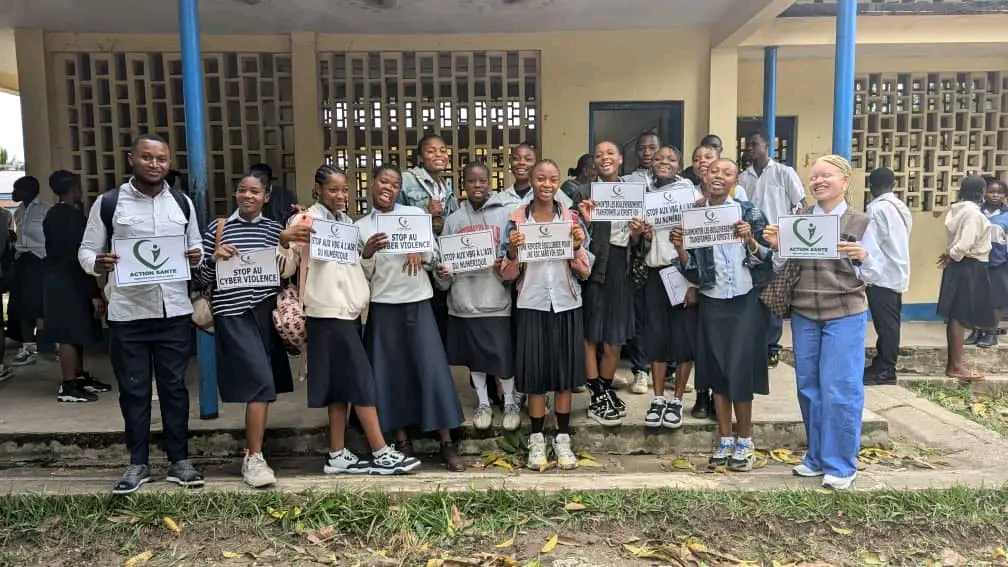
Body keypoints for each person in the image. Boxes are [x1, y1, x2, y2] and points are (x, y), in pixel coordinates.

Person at [78, 133, 204, 494]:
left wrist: (195, 256)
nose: (154, 164)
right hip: (128, 313)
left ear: (169, 162)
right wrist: (98, 263)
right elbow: (85, 251)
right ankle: (138, 463)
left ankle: (179, 461)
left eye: (161, 158)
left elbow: (195, 245)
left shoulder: (181, 202)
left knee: (174, 389)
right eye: (147, 157)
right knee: (134, 391)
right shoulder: (110, 203)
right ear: (132, 159)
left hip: (173, 312)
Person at [278, 165, 421, 476]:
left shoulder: (346, 223)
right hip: (327, 313)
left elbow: (351, 266)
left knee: (339, 387)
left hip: (350, 312)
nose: (340, 195)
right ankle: (381, 451)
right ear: (318, 190)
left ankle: (337, 453)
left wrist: (366, 253)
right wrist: (285, 240)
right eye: (333, 189)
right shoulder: (305, 221)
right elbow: (286, 268)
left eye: (344, 189)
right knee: (361, 383)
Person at [764, 155, 886, 491]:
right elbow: (782, 266)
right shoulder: (800, 219)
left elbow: (876, 273)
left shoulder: (861, 221)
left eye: (826, 176)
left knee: (840, 388)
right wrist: (778, 247)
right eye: (814, 177)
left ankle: (841, 464)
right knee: (809, 387)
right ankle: (816, 457)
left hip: (845, 313)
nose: (817, 181)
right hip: (805, 313)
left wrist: (862, 256)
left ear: (845, 181)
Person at [358, 163, 466, 472]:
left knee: (431, 370)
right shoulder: (361, 226)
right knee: (390, 374)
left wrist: (422, 251)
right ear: (372, 183)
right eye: (383, 182)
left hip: (418, 302)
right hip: (383, 305)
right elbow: (361, 275)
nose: (388, 188)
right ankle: (401, 441)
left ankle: (446, 442)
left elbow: (434, 256)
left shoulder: (415, 216)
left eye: (394, 185)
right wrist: (367, 254)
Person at [192, 169, 294, 488]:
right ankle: (253, 458)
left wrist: (289, 242)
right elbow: (198, 279)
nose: (247, 196)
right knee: (260, 382)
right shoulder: (218, 228)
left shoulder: (275, 230)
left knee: (263, 385)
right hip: (232, 315)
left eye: (254, 191)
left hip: (265, 313)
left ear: (266, 197)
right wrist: (214, 259)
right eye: (242, 190)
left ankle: (254, 453)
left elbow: (286, 272)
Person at [676, 158, 772, 472]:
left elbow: (769, 258)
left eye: (726, 173)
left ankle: (745, 440)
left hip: (744, 301)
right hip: (712, 301)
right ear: (704, 176)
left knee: (740, 369)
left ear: (735, 180)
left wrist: (750, 240)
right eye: (713, 171)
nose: (719, 176)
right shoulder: (694, 216)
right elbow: (693, 271)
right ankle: (725, 438)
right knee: (718, 371)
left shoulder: (749, 213)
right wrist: (680, 248)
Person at [499, 159, 591, 470]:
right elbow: (506, 274)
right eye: (540, 178)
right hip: (532, 302)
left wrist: (577, 246)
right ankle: (537, 439)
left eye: (552, 179)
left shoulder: (571, 218)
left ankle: (562, 438)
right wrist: (512, 251)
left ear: (558, 182)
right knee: (536, 377)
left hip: (566, 302)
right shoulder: (516, 220)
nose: (547, 185)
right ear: (531, 180)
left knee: (564, 377)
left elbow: (585, 268)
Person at [437, 162, 520, 432]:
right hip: (464, 301)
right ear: (463, 184)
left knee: (502, 356)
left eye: (482, 181)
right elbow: (443, 262)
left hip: (495, 299)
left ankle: (510, 402)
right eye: (471, 181)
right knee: (475, 359)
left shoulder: (505, 214)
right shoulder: (453, 220)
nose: (477, 186)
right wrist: (443, 271)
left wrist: (504, 264)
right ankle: (483, 403)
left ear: (490, 182)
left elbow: (514, 255)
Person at [638, 146, 702, 428]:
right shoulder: (646, 194)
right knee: (657, 338)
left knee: (683, 339)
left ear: (679, 164)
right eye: (659, 158)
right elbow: (644, 241)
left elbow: (700, 239)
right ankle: (658, 399)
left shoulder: (690, 194)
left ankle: (677, 400)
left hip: (682, 274)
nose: (664, 162)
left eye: (671, 159)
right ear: (651, 163)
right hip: (656, 273)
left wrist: (694, 283)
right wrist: (645, 236)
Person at [580, 141, 642, 427]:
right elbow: (577, 238)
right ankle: (595, 394)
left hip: (621, 266)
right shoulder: (585, 193)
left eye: (610, 153)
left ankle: (604, 389)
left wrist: (638, 233)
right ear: (594, 162)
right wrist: (588, 222)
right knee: (591, 334)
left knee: (614, 338)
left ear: (620, 159)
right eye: (599, 155)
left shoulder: (634, 192)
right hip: (595, 266)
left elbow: (637, 242)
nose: (604, 158)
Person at [739, 130, 808, 369]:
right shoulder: (743, 177)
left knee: (774, 293)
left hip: (777, 240)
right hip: (749, 240)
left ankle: (772, 348)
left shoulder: (784, 173)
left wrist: (792, 238)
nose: (751, 149)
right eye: (748, 145)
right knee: (753, 294)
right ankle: (754, 344)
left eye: (755, 144)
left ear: (767, 145)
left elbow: (801, 205)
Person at [44, 171, 109, 403]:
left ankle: (79, 376)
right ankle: (68, 384)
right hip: (67, 280)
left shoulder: (58, 214)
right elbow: (76, 257)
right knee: (68, 333)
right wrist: (93, 292)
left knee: (79, 329)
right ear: (73, 189)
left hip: (65, 278)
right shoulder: (68, 218)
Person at [399, 134, 457, 346]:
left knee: (439, 321)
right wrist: (425, 214)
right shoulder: (406, 180)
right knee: (417, 326)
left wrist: (443, 224)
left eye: (442, 150)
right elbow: (394, 218)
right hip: (414, 263)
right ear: (420, 157)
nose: (438, 155)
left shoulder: (446, 186)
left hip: (438, 263)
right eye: (431, 151)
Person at [937, 175, 995, 380]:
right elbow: (965, 243)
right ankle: (956, 366)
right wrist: (953, 254)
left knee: (956, 315)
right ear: (981, 192)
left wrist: (950, 254)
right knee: (959, 316)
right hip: (970, 265)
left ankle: (955, 365)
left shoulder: (957, 210)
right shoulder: (973, 214)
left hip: (959, 265)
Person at [863, 167, 913, 385]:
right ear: (893, 184)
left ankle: (886, 368)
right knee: (891, 322)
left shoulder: (876, 209)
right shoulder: (900, 207)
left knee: (886, 325)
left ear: (871, 186)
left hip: (882, 274)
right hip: (898, 270)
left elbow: (871, 243)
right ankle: (882, 363)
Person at [624, 132, 663, 395]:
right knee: (639, 315)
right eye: (642, 148)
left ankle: (668, 369)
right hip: (638, 257)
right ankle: (640, 370)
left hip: (667, 258)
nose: (647, 153)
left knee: (664, 318)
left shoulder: (678, 185)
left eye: (652, 148)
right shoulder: (627, 182)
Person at [7, 175, 51, 366]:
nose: (13, 193)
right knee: (23, 307)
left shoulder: (46, 209)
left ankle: (59, 344)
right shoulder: (18, 212)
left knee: (45, 305)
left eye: (17, 189)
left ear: (30, 190)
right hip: (23, 261)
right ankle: (28, 347)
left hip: (41, 261)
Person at [968, 178, 1008, 347]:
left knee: (996, 298)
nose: (995, 195)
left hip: (999, 262)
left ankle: (991, 332)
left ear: (1005, 195)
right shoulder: (976, 211)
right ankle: (977, 331)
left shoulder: (1006, 215)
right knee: (976, 297)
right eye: (991, 191)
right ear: (985, 193)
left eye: (999, 192)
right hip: (977, 259)